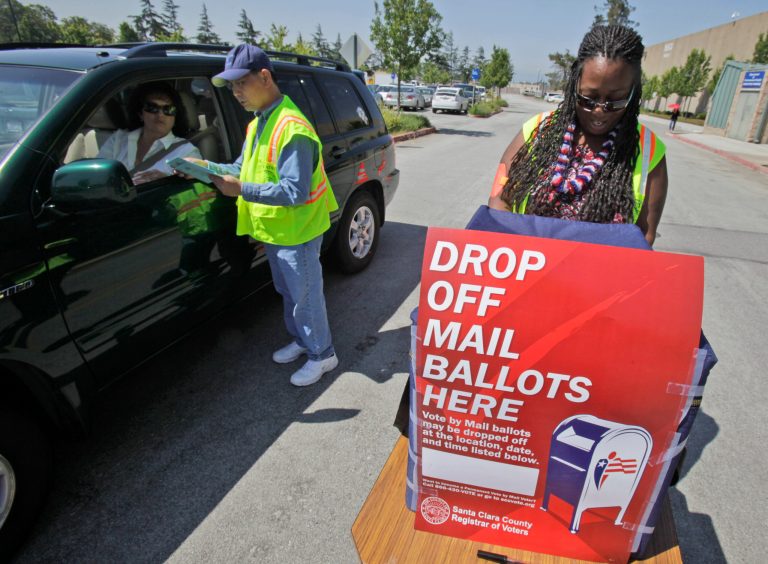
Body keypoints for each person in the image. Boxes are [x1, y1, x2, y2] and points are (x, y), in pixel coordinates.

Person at [183, 44, 339, 387]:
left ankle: (323, 355)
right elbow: (242, 169)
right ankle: (303, 342)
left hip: (298, 230)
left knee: (306, 298)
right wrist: (204, 168)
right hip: (275, 231)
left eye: (241, 83)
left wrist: (240, 189)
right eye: (232, 86)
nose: (236, 92)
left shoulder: (291, 128)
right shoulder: (259, 123)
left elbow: (294, 191)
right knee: (289, 293)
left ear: (264, 76)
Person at [489, 25, 668, 247]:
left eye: (616, 100)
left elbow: (643, 237)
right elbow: (500, 201)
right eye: (589, 97)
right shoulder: (536, 131)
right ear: (575, 84)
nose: (600, 110)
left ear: (633, 92)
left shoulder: (649, 151)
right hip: (529, 271)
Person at [98, 82, 201, 184]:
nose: (160, 115)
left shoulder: (187, 151)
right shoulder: (118, 139)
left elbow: (195, 192)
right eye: (152, 108)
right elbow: (98, 175)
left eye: (168, 109)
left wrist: (165, 182)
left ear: (175, 117)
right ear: (140, 114)